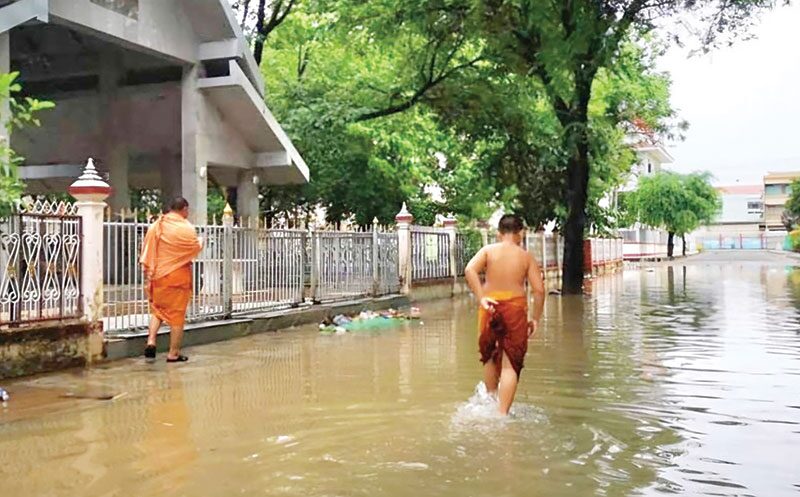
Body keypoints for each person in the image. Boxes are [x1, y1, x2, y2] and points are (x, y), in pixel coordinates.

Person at [464, 214, 545, 415]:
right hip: (515, 310)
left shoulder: (488, 251)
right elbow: (539, 290)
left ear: (499, 234)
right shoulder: (525, 257)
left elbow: (469, 270)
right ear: (521, 233)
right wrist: (535, 318)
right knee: (510, 364)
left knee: (490, 356)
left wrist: (482, 297)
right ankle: (502, 414)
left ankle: (490, 403)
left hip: (489, 308)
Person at [140, 197, 203, 362]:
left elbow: (148, 249)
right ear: (184, 209)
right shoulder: (186, 228)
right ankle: (173, 353)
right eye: (187, 211)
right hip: (177, 277)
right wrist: (201, 242)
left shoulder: (156, 225)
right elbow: (194, 247)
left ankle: (151, 341)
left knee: (157, 310)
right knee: (176, 316)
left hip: (158, 276)